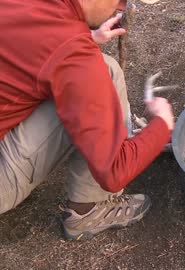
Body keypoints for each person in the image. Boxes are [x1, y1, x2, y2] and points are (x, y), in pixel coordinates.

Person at [0, 0, 173, 240]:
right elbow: (114, 171)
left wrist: (88, 37)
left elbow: (33, 41)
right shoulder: (72, 53)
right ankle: (89, 210)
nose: (122, 8)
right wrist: (162, 124)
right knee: (106, 73)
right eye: (121, 0)